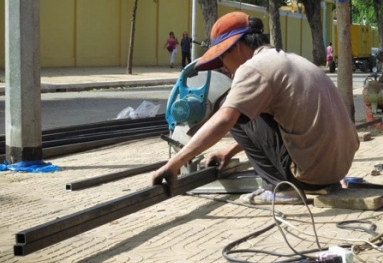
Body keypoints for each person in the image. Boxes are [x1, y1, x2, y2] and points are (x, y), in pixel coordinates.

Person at [152, 11, 360, 205]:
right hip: (337, 169)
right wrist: (229, 151)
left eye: (222, 57)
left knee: (230, 108)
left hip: (310, 173)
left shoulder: (253, 67)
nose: (223, 66)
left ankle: (282, 189)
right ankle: (295, 181)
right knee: (244, 106)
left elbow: (225, 119)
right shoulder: (289, 59)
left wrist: (175, 163)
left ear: (236, 47)